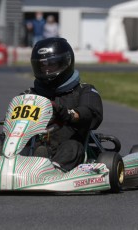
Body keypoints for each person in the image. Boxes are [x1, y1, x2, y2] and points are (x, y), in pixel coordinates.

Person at [22, 37, 103, 171]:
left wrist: (67, 114)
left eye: (51, 64)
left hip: (66, 148)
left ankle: (52, 170)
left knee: (72, 146)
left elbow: (91, 114)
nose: (46, 70)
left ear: (65, 63)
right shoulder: (30, 94)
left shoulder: (84, 91)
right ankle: (0, 163)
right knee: (7, 144)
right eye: (42, 65)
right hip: (34, 147)